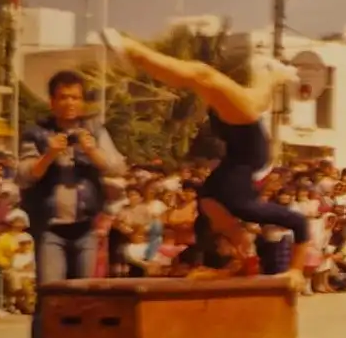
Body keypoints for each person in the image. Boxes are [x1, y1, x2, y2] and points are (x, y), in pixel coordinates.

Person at [100, 29, 309, 292]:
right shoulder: (246, 208)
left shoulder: (211, 204)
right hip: (249, 148)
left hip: (239, 140)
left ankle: (132, 51)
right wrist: (296, 269)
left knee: (210, 79)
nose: (226, 240)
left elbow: (241, 253)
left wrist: (227, 269)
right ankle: (274, 75)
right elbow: (300, 224)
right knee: (221, 85)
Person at [17, 69, 127, 338]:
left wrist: (93, 151)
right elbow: (24, 175)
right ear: (52, 101)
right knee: (50, 299)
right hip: (50, 228)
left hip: (85, 227)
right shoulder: (36, 133)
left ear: (82, 101)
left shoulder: (94, 129)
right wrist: (49, 153)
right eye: (63, 97)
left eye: (75, 97)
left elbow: (117, 166)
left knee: (87, 301)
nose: (69, 103)